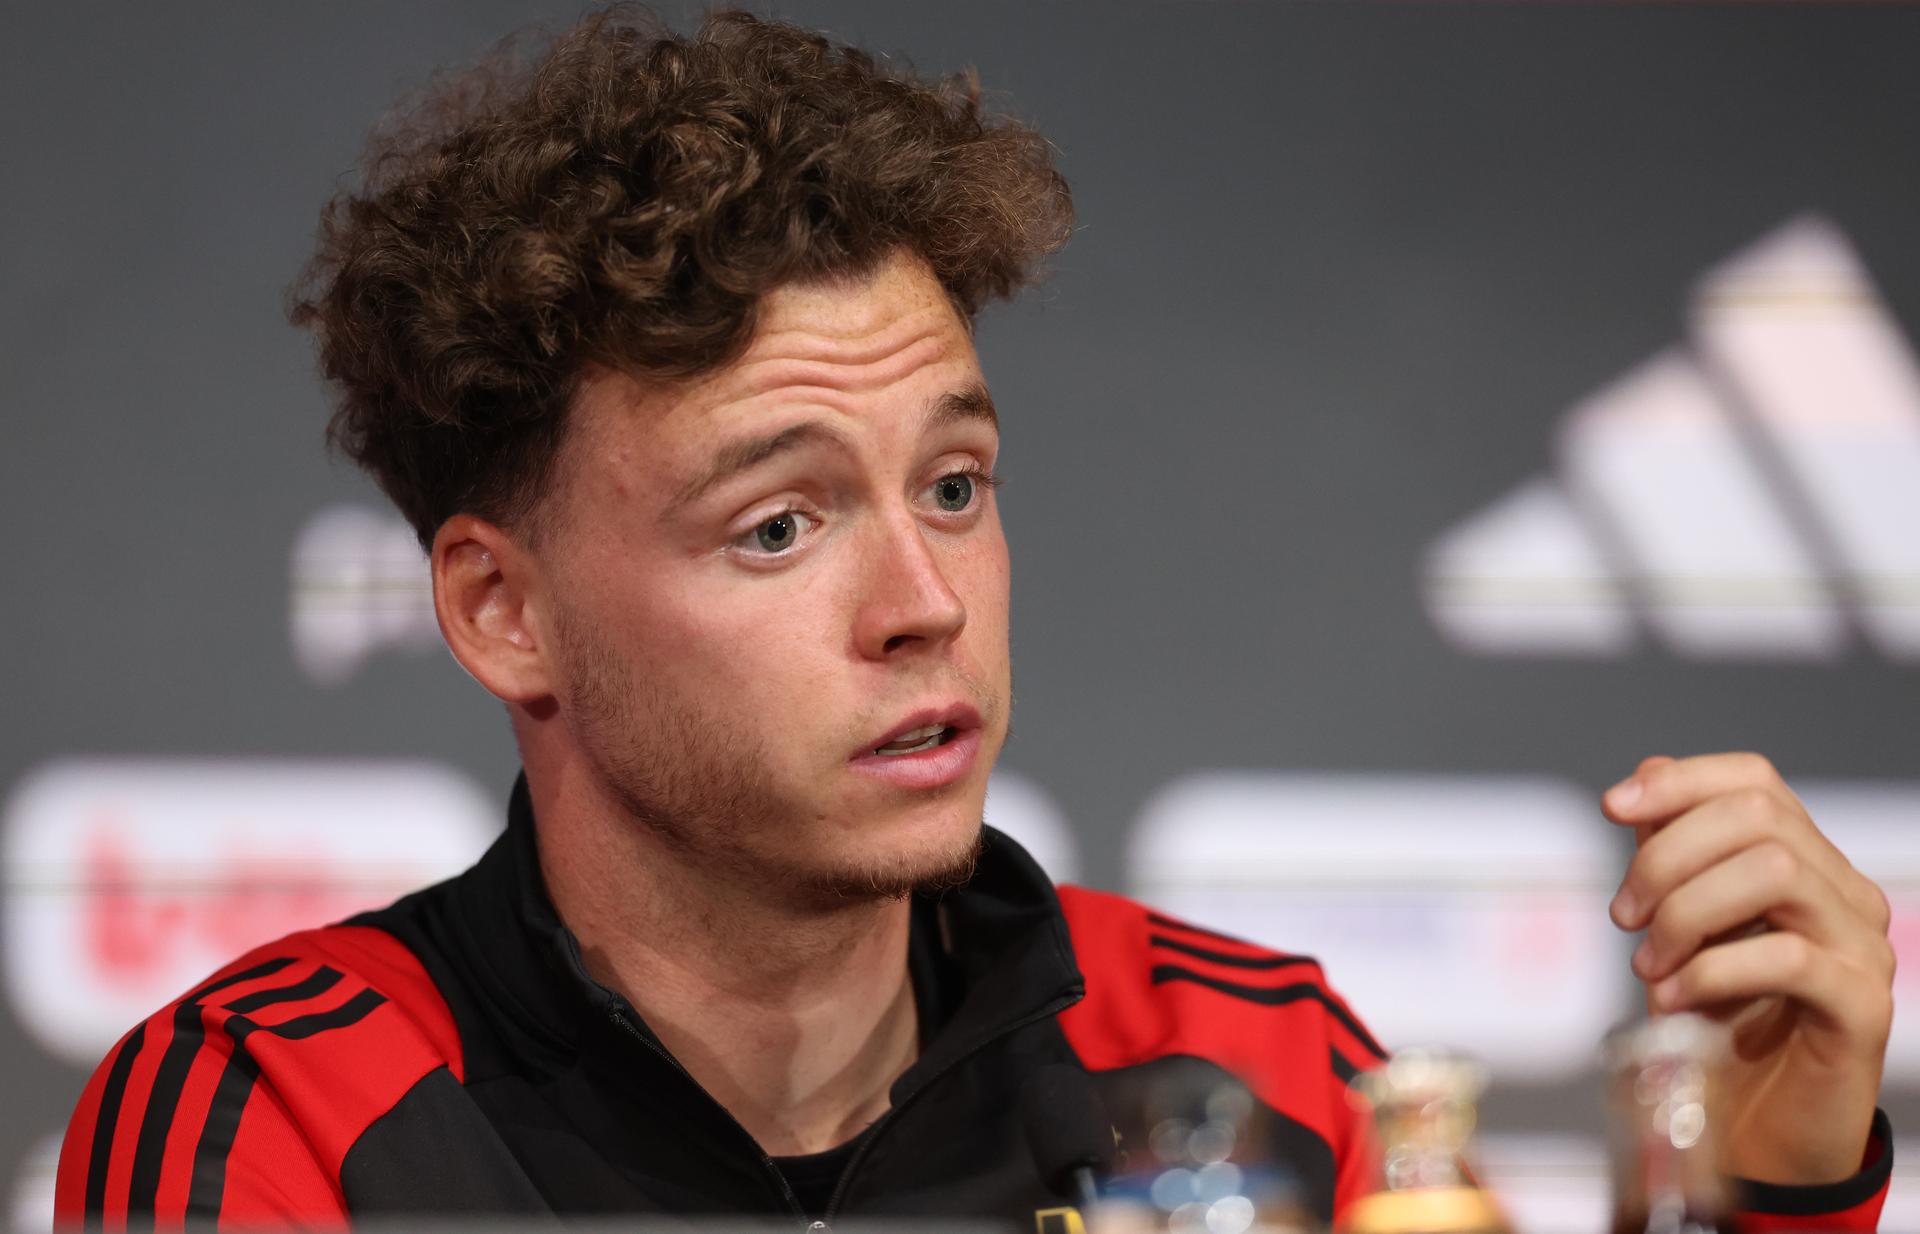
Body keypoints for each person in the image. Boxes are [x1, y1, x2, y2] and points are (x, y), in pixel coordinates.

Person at [55, 8, 1894, 1230]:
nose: (925, 602)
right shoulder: (273, 1114)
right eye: (778, 525)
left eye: (954, 484)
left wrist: (1784, 1175)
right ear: (500, 608)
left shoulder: (1255, 1073)